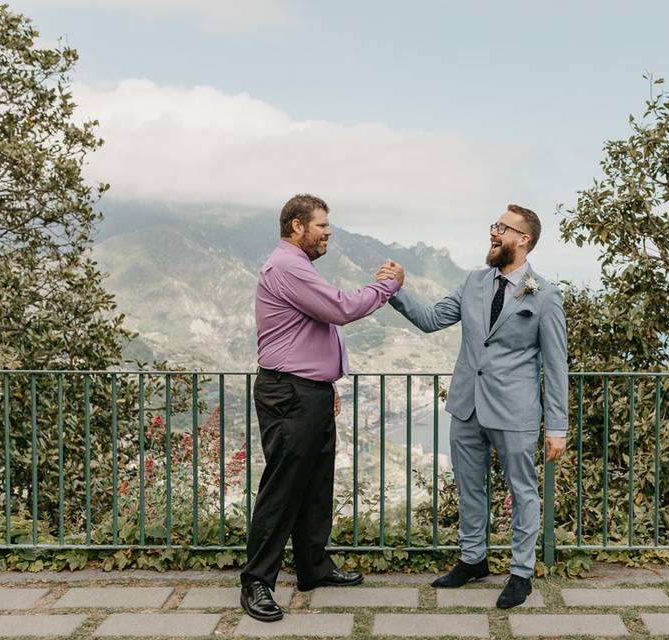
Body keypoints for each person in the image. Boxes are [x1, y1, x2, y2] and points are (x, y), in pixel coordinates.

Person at [377, 204, 568, 609]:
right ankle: (472, 559)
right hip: (466, 405)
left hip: (515, 411)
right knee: (469, 489)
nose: (494, 233)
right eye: (494, 225)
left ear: (524, 239)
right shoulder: (473, 282)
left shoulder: (546, 296)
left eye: (503, 227)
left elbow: (555, 366)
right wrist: (396, 290)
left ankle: (521, 572)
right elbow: (430, 320)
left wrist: (557, 426)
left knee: (523, 491)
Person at [240, 194, 403, 622]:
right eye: (322, 225)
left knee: (315, 483)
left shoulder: (297, 267)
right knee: (283, 487)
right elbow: (340, 308)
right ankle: (256, 581)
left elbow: (311, 333)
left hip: (306, 391)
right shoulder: (288, 266)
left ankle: (313, 567)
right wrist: (388, 286)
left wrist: (324, 382)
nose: (328, 232)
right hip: (290, 393)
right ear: (297, 226)